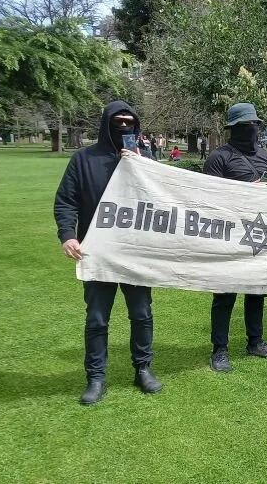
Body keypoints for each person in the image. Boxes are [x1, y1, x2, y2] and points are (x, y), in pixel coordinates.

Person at [54, 100, 162, 405]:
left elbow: (165, 198)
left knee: (141, 314)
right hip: (97, 253)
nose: (124, 126)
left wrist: (143, 165)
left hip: (135, 252)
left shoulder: (145, 159)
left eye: (130, 121)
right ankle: (96, 377)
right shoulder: (84, 159)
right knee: (97, 319)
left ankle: (143, 369)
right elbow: (66, 200)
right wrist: (67, 235)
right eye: (119, 121)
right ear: (106, 123)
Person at [203, 102, 267, 372]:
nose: (252, 130)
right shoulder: (219, 157)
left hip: (258, 231)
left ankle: (255, 341)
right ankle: (220, 350)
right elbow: (209, 200)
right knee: (225, 295)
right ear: (233, 129)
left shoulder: (264, 155)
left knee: (257, 291)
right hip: (228, 234)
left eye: (254, 125)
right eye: (246, 126)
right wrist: (248, 190)